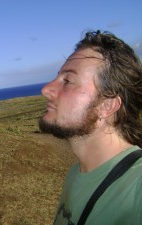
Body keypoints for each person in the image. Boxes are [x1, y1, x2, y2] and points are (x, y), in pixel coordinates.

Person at [39, 30, 142, 225]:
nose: (46, 89)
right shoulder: (74, 174)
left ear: (107, 106)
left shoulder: (137, 185)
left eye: (67, 81)